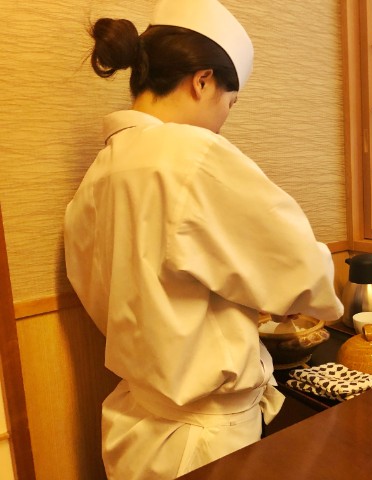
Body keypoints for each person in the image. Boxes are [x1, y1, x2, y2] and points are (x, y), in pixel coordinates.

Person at [63, 0, 344, 478]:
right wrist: (312, 296)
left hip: (132, 429)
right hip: (204, 441)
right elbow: (303, 271)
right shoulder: (189, 155)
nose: (223, 120)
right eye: (229, 104)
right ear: (203, 80)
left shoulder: (99, 175)